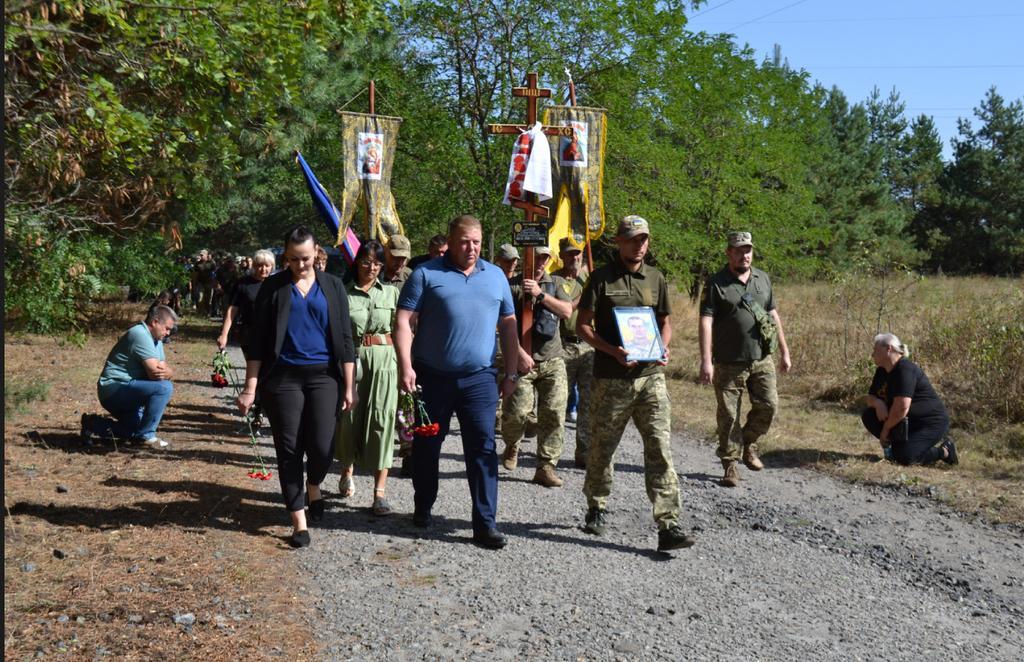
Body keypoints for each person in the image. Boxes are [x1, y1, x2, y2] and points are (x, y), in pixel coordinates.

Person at [395, 214, 531, 549]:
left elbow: (509, 325)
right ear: (451, 241)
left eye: (476, 242)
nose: (471, 248)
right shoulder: (426, 274)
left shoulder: (496, 276)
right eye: (464, 242)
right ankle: (423, 504)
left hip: (479, 380)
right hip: (432, 377)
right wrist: (405, 366)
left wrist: (511, 372)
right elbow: (401, 320)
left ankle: (485, 523)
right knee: (427, 447)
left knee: (483, 448)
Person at [576, 215, 695, 552]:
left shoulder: (655, 278)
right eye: (632, 239)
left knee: (659, 448)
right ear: (619, 242)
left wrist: (664, 346)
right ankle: (596, 506)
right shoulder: (600, 279)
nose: (639, 245)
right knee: (602, 448)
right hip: (611, 380)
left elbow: (664, 321)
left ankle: (668, 524)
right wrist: (611, 350)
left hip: (650, 380)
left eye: (643, 239)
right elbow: (582, 326)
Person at [236, 226, 357, 549]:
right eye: (292, 259)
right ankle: (298, 520)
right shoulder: (274, 288)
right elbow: (257, 342)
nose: (299, 265)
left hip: (324, 377)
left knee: (321, 446)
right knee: (289, 449)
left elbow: (346, 340)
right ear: (285, 257)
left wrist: (349, 385)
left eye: (305, 258)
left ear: (317, 253)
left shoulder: (332, 286)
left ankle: (314, 484)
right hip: (283, 379)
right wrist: (251, 387)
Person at [699, 231, 792, 488]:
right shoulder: (717, 283)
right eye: (739, 250)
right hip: (729, 361)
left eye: (748, 250)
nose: (745, 255)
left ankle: (748, 443)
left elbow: (773, 315)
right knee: (728, 415)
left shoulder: (762, 279)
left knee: (769, 405)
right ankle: (730, 464)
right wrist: (706, 359)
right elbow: (706, 321)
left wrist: (784, 351)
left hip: (762, 359)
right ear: (729, 252)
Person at [335, 241, 400, 515]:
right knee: (349, 419)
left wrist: (407, 367)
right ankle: (346, 470)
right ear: (356, 262)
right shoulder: (343, 293)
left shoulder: (392, 293)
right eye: (365, 261)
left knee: (382, 420)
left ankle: (379, 493)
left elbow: (403, 331)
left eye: (376, 263)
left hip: (386, 360)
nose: (371, 267)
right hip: (353, 359)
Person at [501, 246, 574, 487]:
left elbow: (566, 311)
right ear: (527, 258)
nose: (540, 262)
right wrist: (519, 353)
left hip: (552, 360)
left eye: (545, 257)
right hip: (522, 361)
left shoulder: (556, 283)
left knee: (553, 414)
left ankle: (545, 466)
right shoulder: (512, 285)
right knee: (517, 415)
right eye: (536, 257)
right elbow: (501, 323)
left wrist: (540, 294)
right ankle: (512, 445)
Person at [81, 305, 178, 448]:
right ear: (155, 322)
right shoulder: (140, 334)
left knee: (134, 430)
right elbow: (155, 374)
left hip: (127, 389)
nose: (168, 333)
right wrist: (167, 373)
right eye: (167, 328)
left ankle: (93, 424)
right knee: (164, 388)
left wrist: (169, 372)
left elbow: (165, 369)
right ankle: (146, 436)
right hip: (115, 389)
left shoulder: (156, 340)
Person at [863, 333, 957, 466]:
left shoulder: (905, 369)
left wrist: (885, 430)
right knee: (869, 415)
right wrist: (877, 403)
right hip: (908, 421)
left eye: (875, 350)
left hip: (930, 423)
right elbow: (869, 398)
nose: (872, 354)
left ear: (888, 349)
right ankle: (897, 449)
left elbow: (902, 407)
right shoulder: (882, 371)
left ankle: (944, 451)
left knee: (906, 458)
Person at [557, 235, 593, 467]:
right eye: (570, 253)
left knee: (588, 403)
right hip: (563, 346)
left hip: (589, 346)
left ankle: (584, 452)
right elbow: (566, 311)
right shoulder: (554, 280)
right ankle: (551, 453)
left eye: (578, 253)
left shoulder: (591, 278)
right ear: (562, 256)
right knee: (558, 403)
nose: (576, 257)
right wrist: (586, 293)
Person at [216, 249, 275, 358]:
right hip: (250, 334)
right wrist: (224, 334)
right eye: (259, 265)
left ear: (272, 266)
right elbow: (232, 310)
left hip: (272, 334)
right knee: (253, 367)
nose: (263, 269)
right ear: (254, 266)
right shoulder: (243, 284)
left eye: (267, 265)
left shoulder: (276, 284)